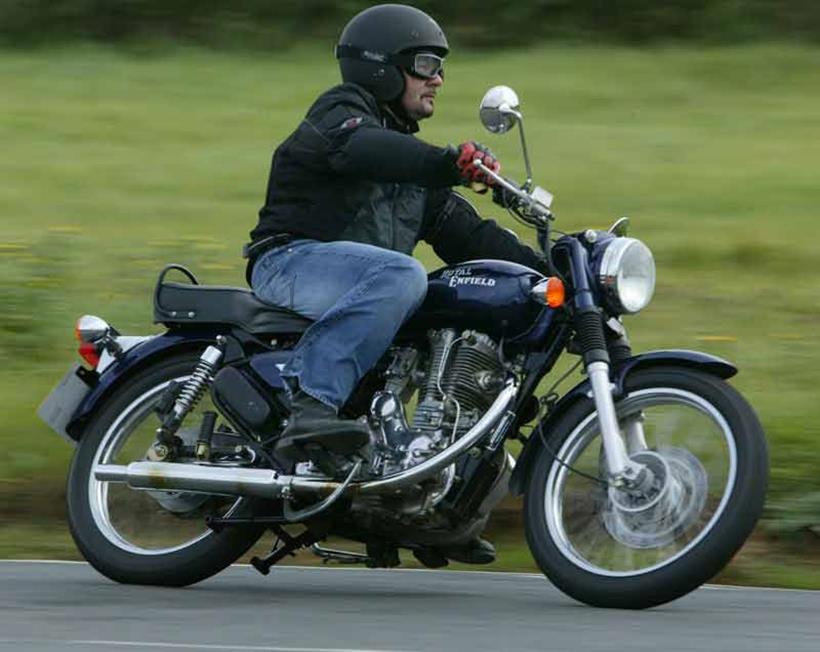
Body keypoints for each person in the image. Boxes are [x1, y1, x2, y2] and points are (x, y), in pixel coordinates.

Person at [245, 4, 544, 476]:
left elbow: (471, 236)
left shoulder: (412, 169)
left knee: (470, 296)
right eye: (426, 65)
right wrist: (447, 162)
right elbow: (365, 148)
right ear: (381, 66)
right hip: (288, 261)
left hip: (354, 285)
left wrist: (550, 276)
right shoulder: (340, 115)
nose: (438, 79)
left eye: (441, 68)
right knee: (403, 273)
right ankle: (311, 405)